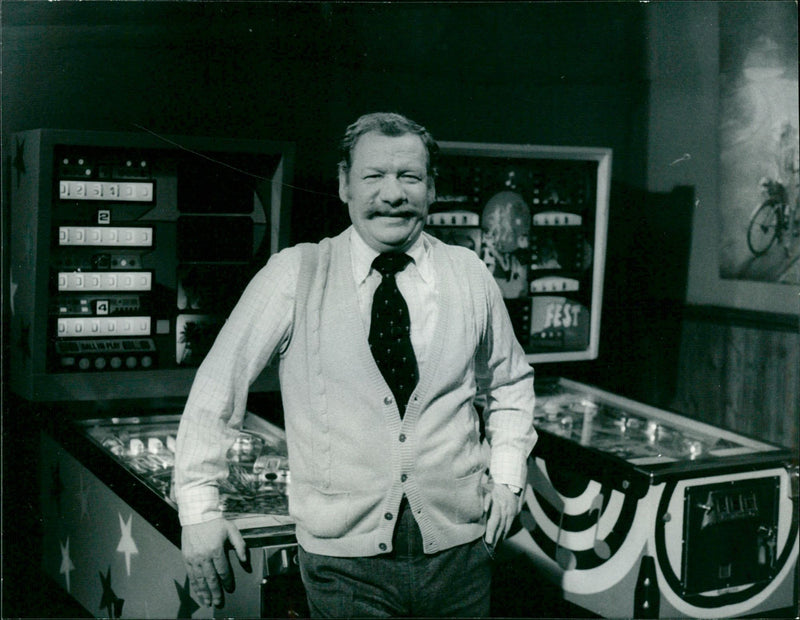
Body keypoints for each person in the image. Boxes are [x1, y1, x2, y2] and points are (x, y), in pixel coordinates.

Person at [174, 111, 537, 617]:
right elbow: (217, 389)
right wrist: (197, 511)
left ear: (431, 188)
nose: (392, 194)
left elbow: (511, 383)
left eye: (409, 177)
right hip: (343, 569)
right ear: (344, 184)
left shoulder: (469, 273)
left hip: (461, 559)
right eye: (373, 177)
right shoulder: (294, 273)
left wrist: (507, 477)